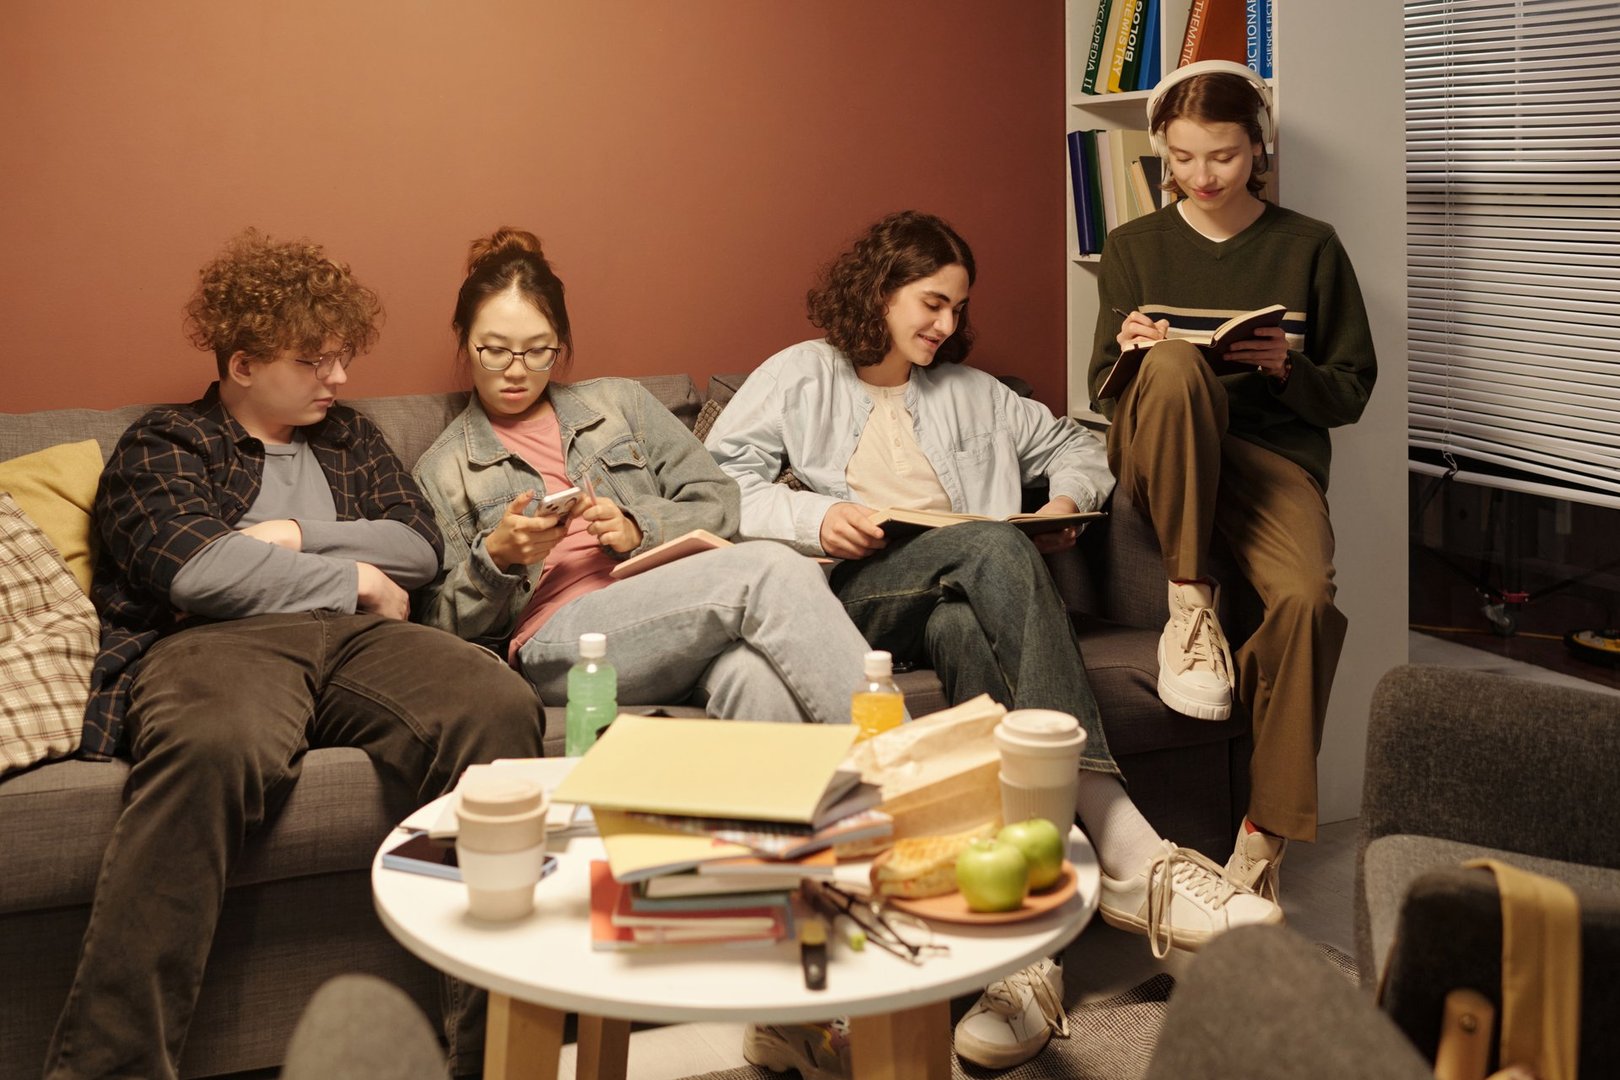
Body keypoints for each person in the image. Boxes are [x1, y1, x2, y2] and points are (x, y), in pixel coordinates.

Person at [706, 210, 1281, 1073]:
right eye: (929, 303)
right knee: (990, 544)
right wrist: (819, 515)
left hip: (958, 596)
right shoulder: (801, 373)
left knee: (964, 619)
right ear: (880, 288)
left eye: (955, 308)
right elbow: (716, 485)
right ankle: (1123, 838)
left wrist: (1060, 501)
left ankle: (1022, 961)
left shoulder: (972, 393)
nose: (944, 324)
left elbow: (1074, 448)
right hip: (855, 600)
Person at [46, 229, 544, 1080]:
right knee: (212, 747)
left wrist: (296, 535)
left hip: (367, 646)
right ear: (243, 364)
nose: (339, 380)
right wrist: (349, 576)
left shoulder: (352, 439)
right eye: (316, 361)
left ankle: (489, 1059)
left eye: (342, 358)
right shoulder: (164, 444)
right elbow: (197, 570)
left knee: (493, 704)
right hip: (212, 645)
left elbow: (418, 547)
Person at [1088, 60, 1376, 906]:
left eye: (1222, 156)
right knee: (1174, 364)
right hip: (1164, 442)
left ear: (1259, 148)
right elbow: (1104, 380)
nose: (1202, 176)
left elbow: (1351, 388)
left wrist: (1288, 368)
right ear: (1161, 154)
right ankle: (1189, 602)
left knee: (1306, 601)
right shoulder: (1134, 246)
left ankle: (1262, 836)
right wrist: (1133, 351)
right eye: (1182, 158)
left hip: (1269, 457)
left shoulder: (1309, 245)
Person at [411, 227, 874, 729]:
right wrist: (495, 559)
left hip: (676, 610)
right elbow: (433, 627)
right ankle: (904, 772)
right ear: (464, 339)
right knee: (774, 568)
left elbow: (719, 497)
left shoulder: (620, 404)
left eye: (538, 350)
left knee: (756, 679)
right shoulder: (442, 469)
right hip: (561, 641)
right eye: (495, 350)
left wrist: (639, 528)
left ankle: (809, 807)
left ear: (561, 344)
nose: (516, 370)